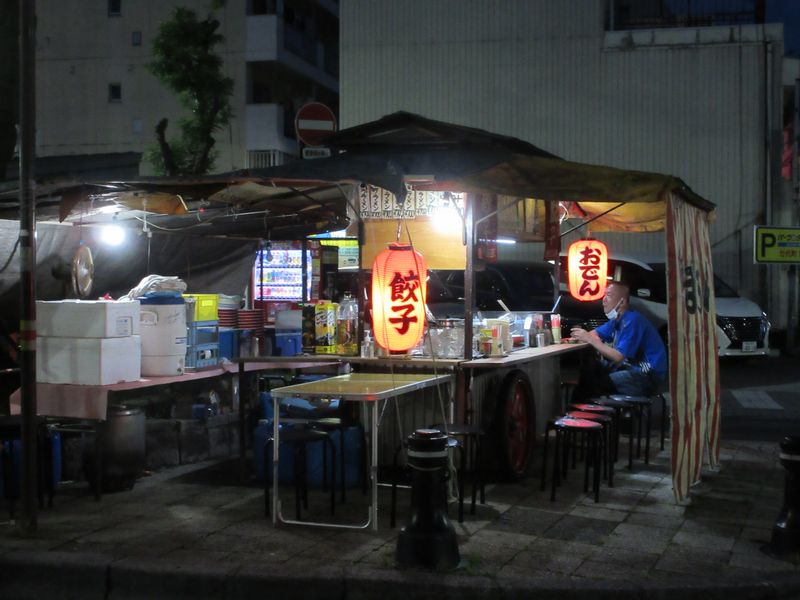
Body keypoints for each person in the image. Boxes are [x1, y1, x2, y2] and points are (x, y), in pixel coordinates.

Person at [569, 281, 667, 402]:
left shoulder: (632, 320)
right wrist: (589, 337)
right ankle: (578, 415)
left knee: (594, 385)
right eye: (604, 295)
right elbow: (594, 333)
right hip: (631, 369)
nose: (604, 299)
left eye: (609, 295)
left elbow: (618, 356)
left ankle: (587, 416)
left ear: (622, 302)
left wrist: (591, 340)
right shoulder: (616, 320)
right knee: (591, 371)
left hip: (647, 376)